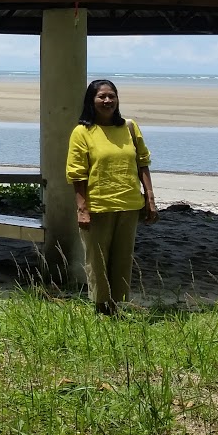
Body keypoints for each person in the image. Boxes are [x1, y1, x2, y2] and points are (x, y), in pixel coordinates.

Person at [67, 78, 157, 315]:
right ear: (92, 100)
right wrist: (82, 208)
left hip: (128, 204)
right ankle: (100, 307)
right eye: (102, 96)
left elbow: (142, 162)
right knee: (97, 260)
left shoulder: (129, 126)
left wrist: (150, 198)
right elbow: (77, 173)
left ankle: (116, 306)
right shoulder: (82, 132)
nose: (107, 101)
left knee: (122, 258)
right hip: (98, 206)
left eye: (112, 96)